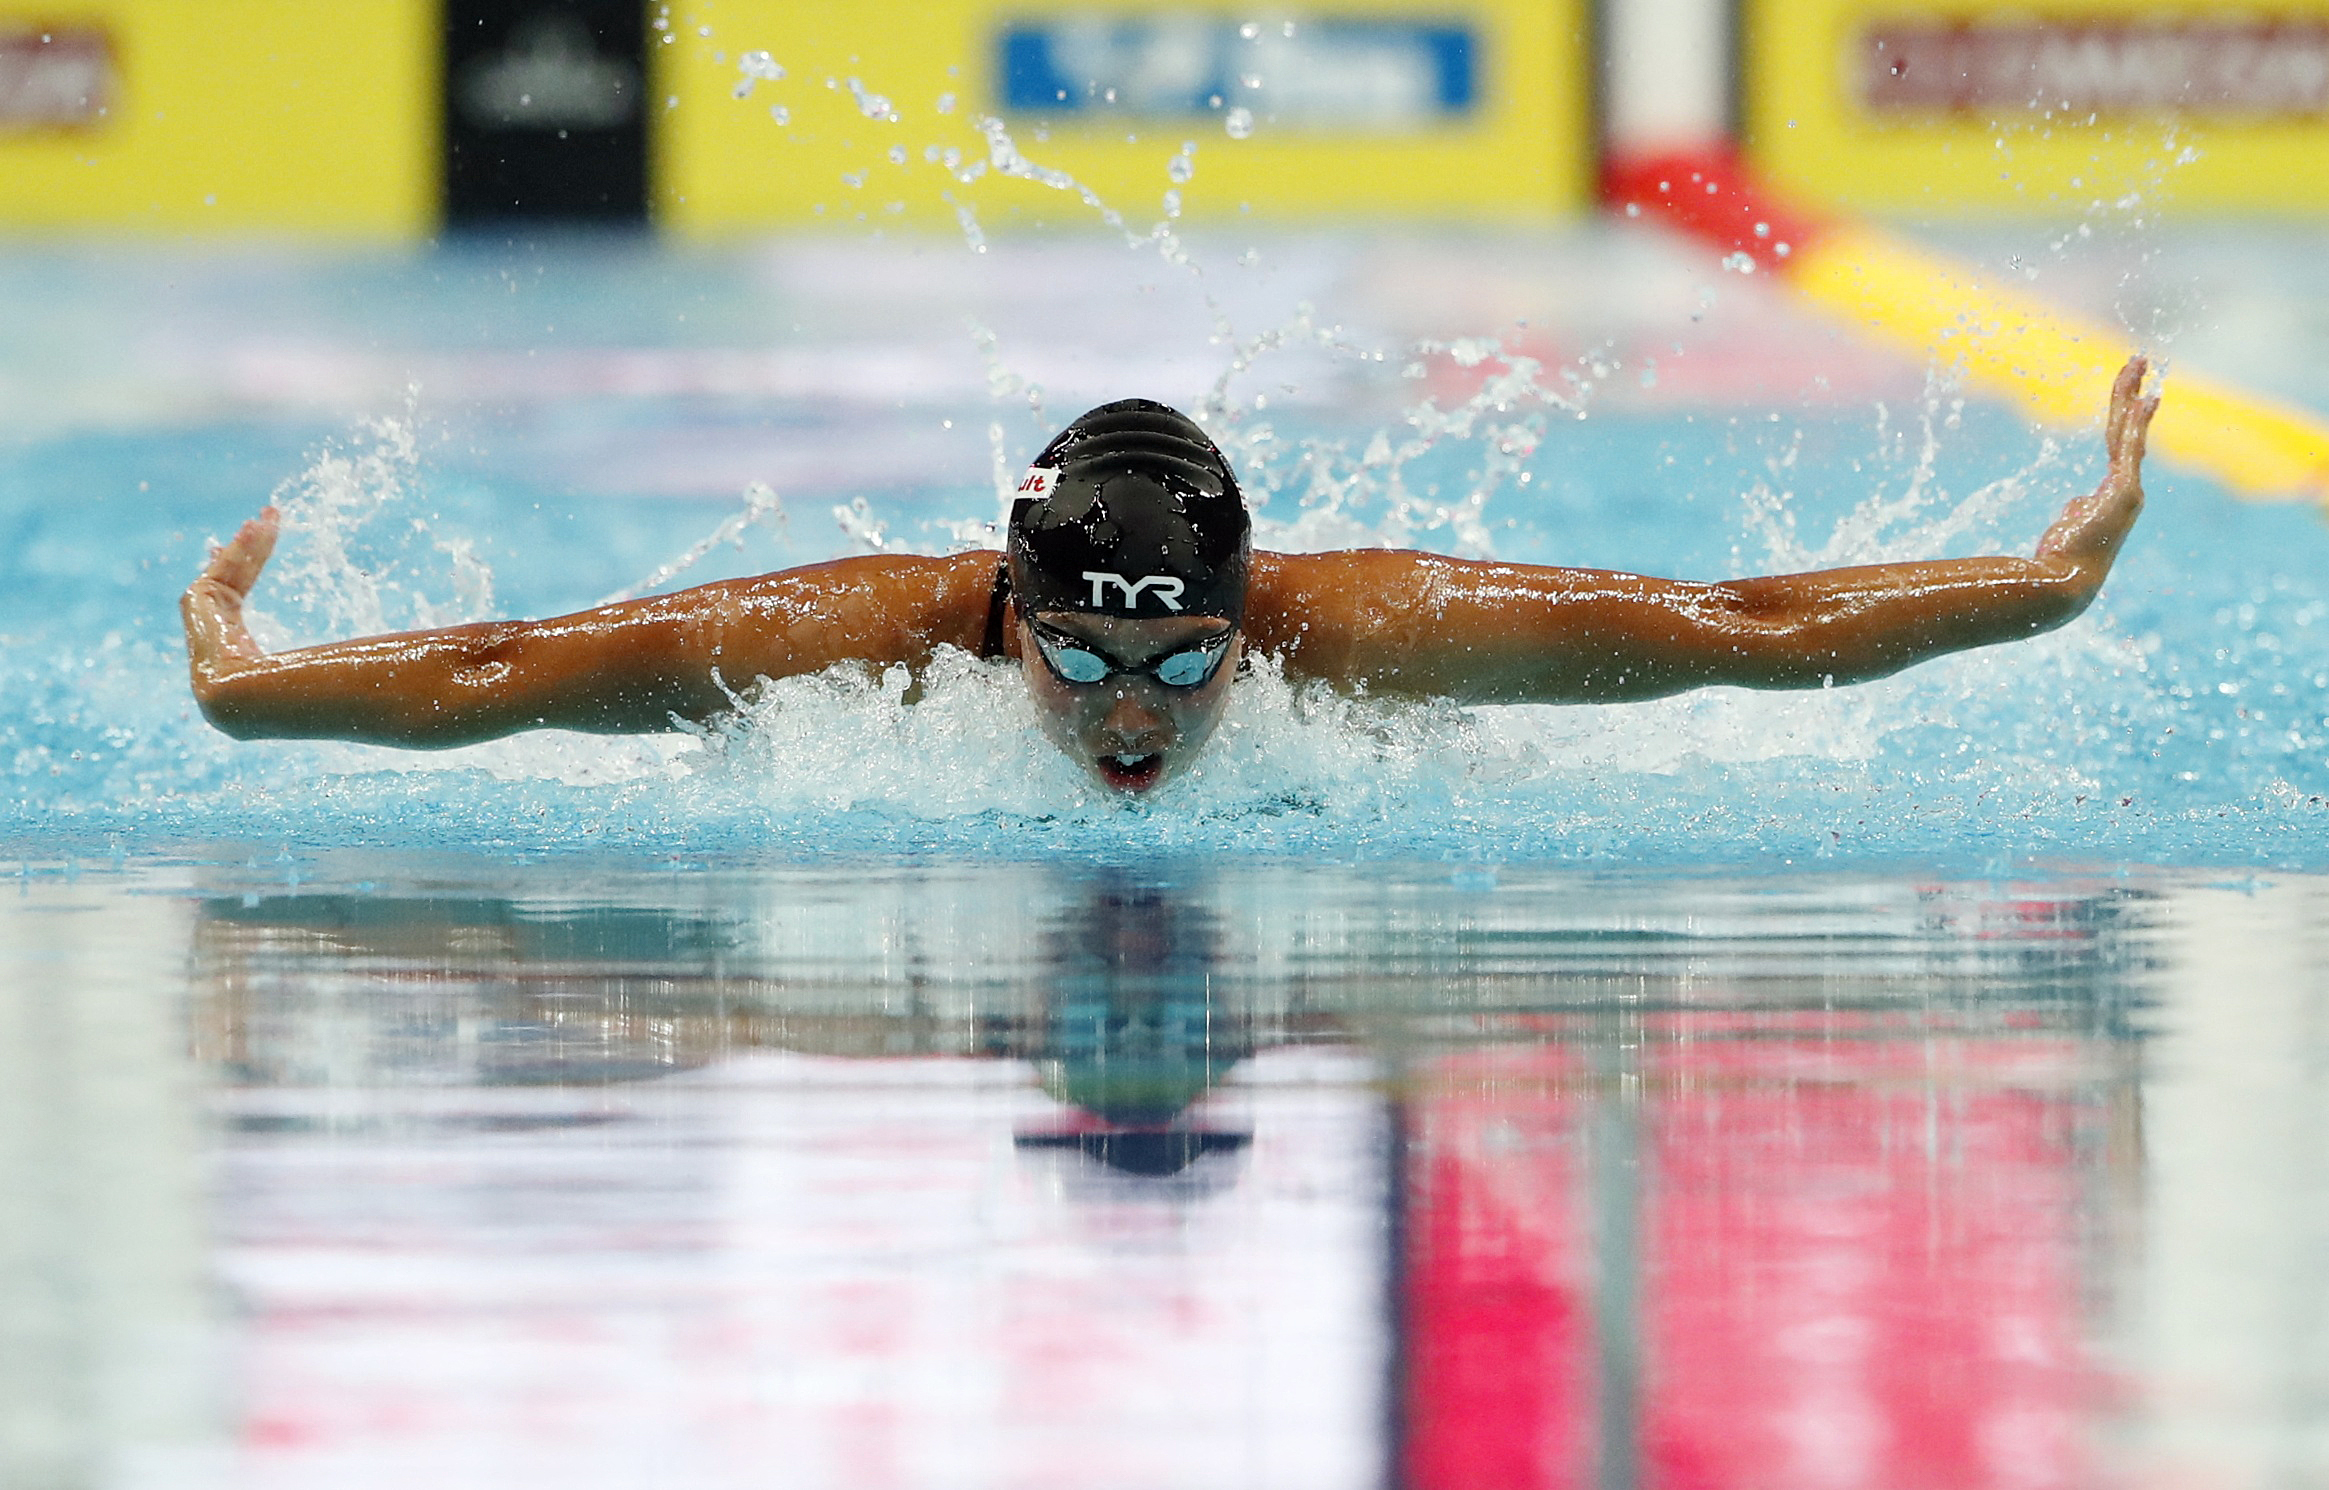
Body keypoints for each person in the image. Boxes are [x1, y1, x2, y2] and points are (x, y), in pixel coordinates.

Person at [182, 356, 2159, 796]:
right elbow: (519, 661)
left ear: (1250, 616)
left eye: (1189, 674)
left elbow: (1741, 629)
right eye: (1086, 667)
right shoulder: (868, 640)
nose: (1132, 718)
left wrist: (2040, 577)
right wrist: (248, 681)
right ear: (1005, 611)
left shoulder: (1364, 629)